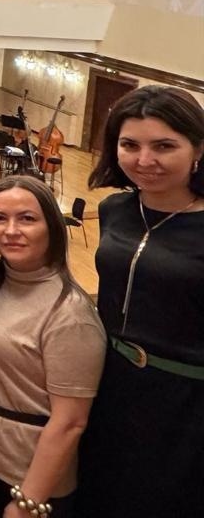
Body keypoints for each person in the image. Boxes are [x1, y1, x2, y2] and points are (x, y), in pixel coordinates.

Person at [76, 85, 204, 517]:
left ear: (198, 149)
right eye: (130, 145)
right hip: (109, 383)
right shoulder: (115, 209)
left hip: (184, 402)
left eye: (164, 146)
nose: (144, 160)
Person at [0, 175, 104, 518]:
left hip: (22, 476)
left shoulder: (70, 315)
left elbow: (70, 423)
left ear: (52, 227)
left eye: (27, 219)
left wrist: (28, 502)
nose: (11, 230)